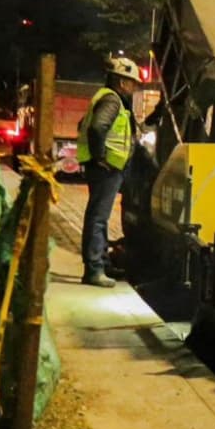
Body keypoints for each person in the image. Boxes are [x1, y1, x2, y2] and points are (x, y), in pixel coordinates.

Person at [76, 57, 142, 288]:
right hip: (106, 169)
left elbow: (82, 124)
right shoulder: (112, 101)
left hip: (104, 169)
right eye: (132, 82)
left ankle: (102, 264)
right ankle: (94, 269)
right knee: (97, 217)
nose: (134, 88)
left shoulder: (105, 98)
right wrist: (100, 157)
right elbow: (96, 127)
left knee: (99, 217)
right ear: (122, 81)